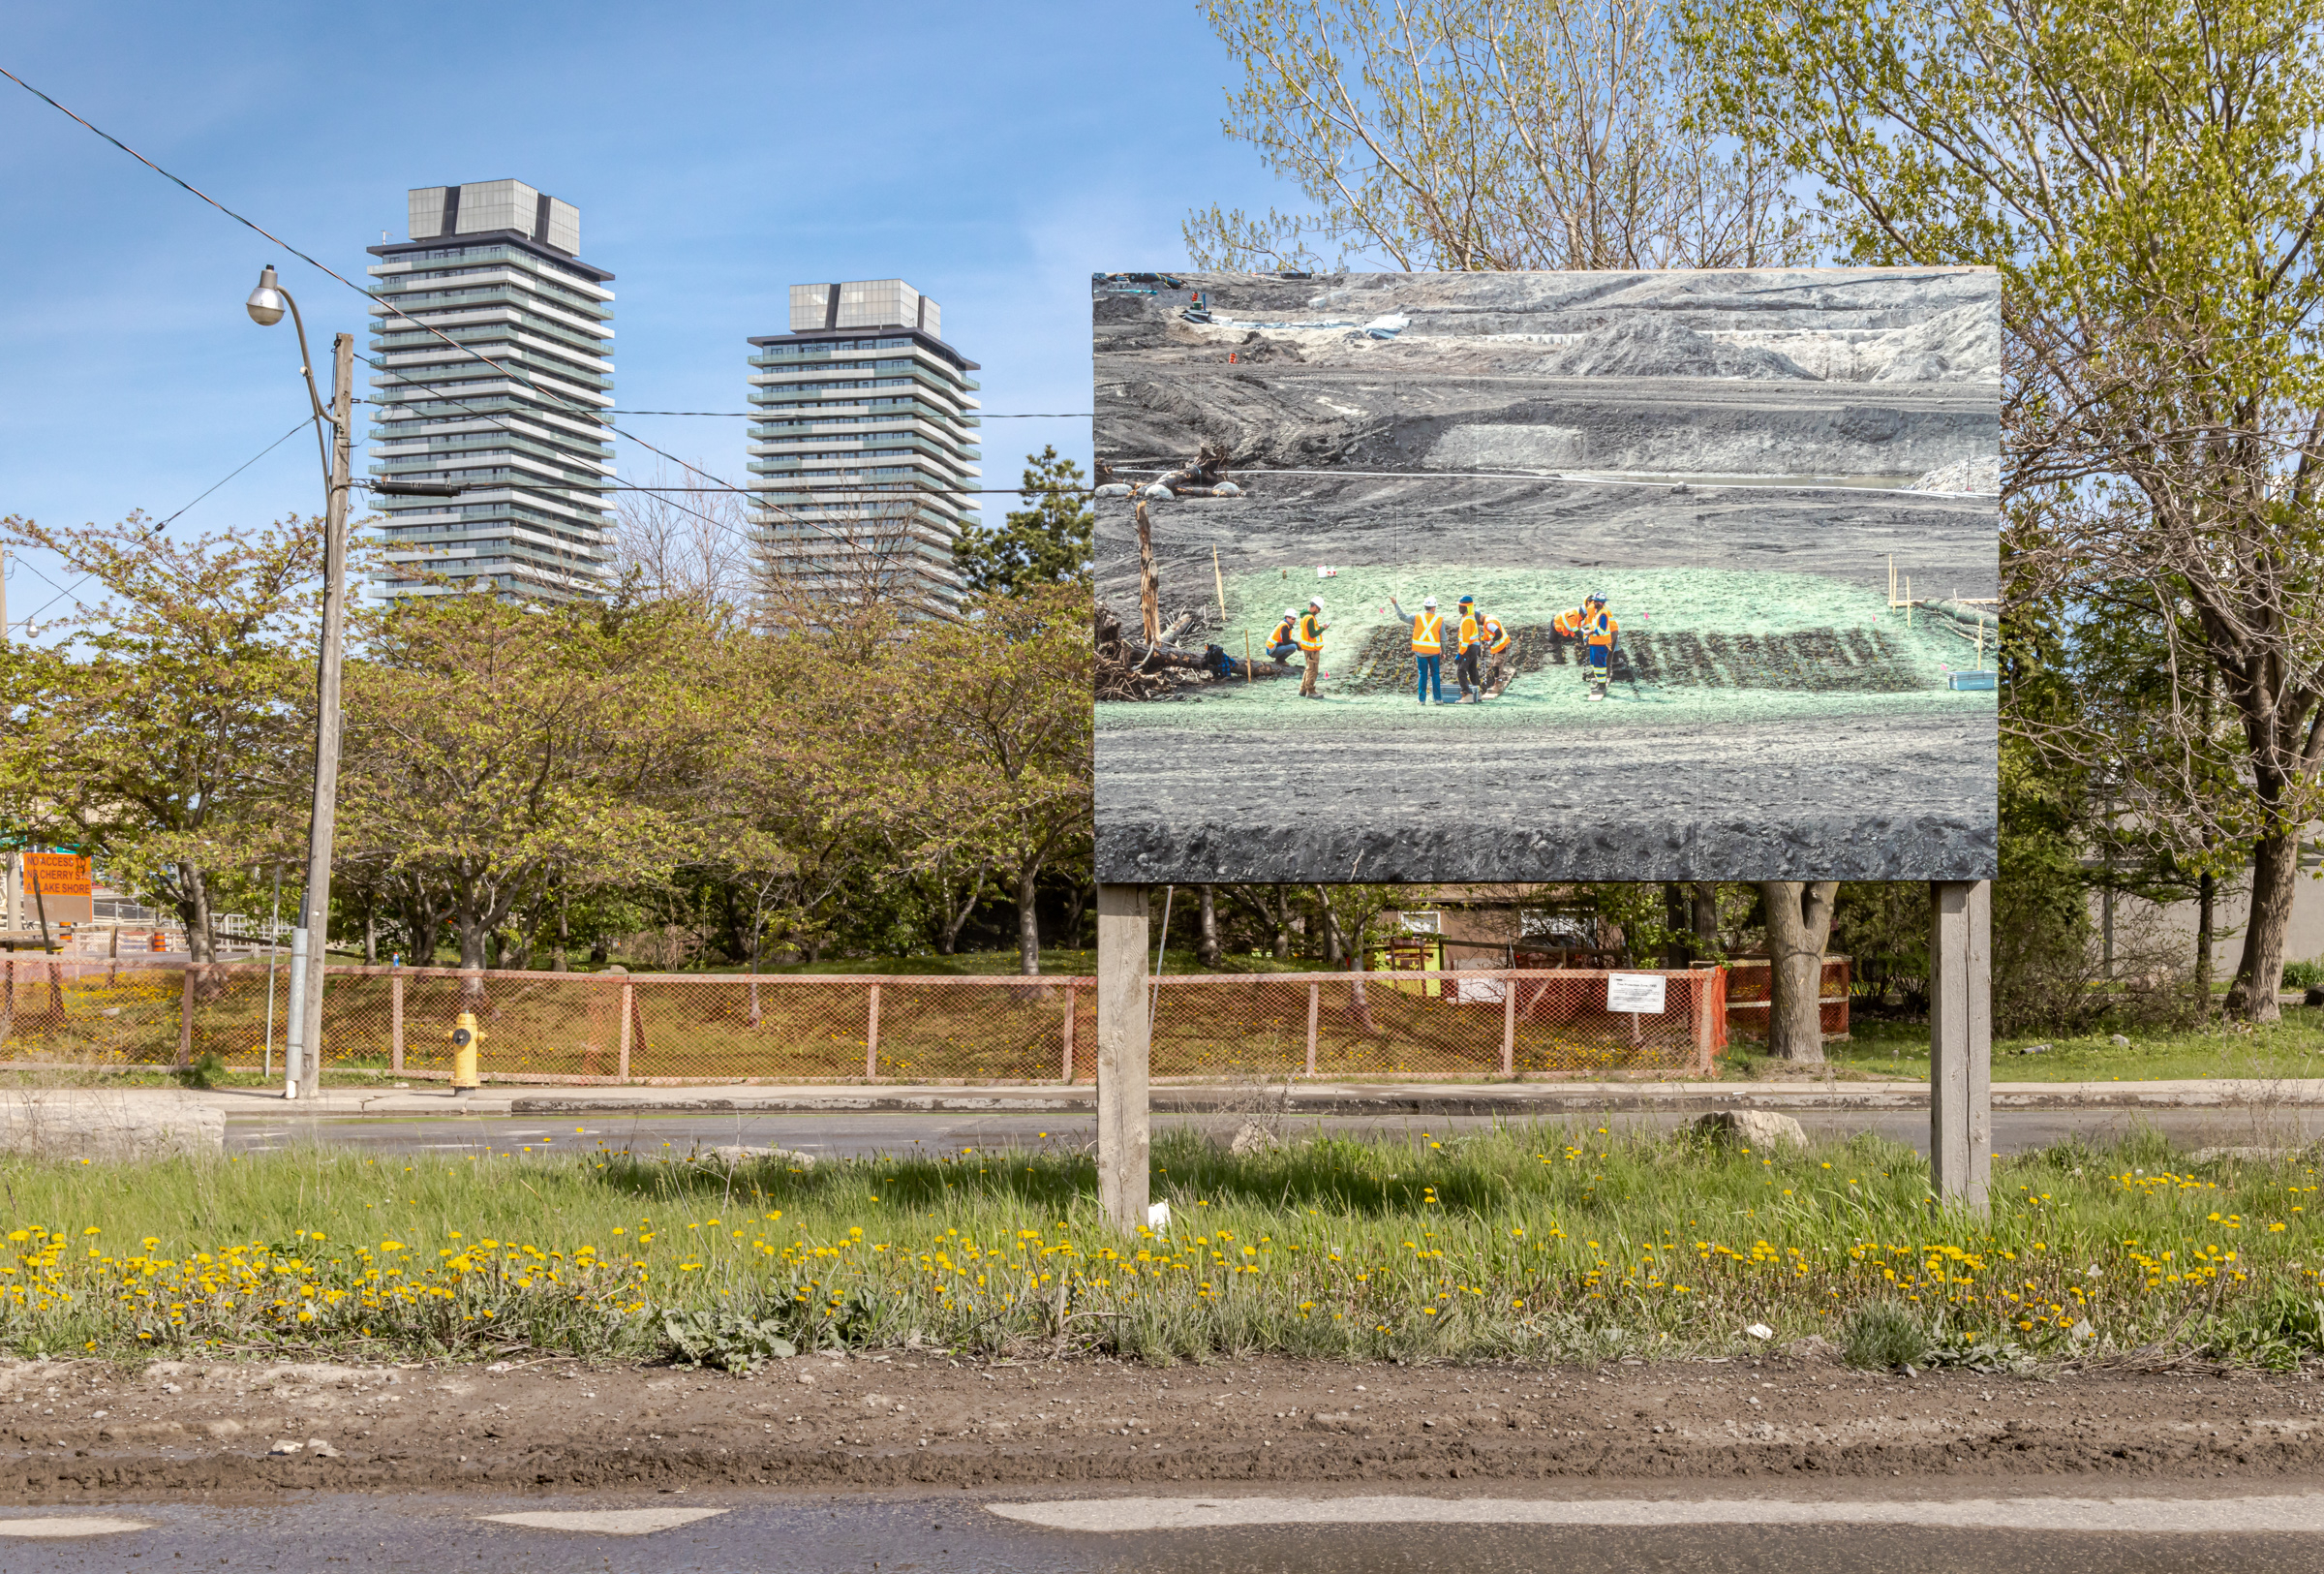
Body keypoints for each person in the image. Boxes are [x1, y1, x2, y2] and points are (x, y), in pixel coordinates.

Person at [1552, 590, 1619, 699]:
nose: (1593, 603)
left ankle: (1602, 683)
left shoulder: (1601, 613)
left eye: (1595, 601)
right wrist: (1587, 635)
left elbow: (1601, 629)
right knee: (1597, 662)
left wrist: (1589, 633)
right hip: (1597, 640)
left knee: (1602, 660)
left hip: (1602, 639)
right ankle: (1600, 680)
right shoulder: (1596, 613)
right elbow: (1591, 625)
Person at [1388, 593, 1445, 704]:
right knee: (1435, 675)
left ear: (1425, 607)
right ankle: (1438, 699)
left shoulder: (1416, 617)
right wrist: (1444, 652)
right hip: (1434, 653)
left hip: (1420, 653)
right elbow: (1443, 638)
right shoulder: (1439, 619)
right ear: (1434, 608)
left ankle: (1421, 700)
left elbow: (1402, 617)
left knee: (1422, 675)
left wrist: (1395, 604)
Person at [1452, 595, 1485, 701]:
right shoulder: (1470, 618)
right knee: (1472, 670)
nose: (1459, 608)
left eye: (1461, 606)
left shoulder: (1467, 620)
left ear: (1466, 607)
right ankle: (1478, 693)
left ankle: (1466, 694)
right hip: (1474, 647)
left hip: (1469, 648)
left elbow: (1465, 641)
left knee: (1461, 670)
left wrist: (1460, 654)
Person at [1295, 597, 1328, 696]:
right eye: (1318, 609)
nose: (1319, 611)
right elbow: (1313, 634)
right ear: (1314, 607)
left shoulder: (1304, 617)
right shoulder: (1310, 618)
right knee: (1312, 670)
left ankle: (1303, 690)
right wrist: (1323, 628)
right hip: (1312, 648)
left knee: (1309, 668)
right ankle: (1310, 691)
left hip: (1307, 647)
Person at [1481, 611, 1516, 697]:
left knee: (1497, 664)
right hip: (1498, 646)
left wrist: (1491, 642)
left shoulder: (1489, 624)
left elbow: (1498, 634)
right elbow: (1489, 633)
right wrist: (1484, 639)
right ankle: (1496, 682)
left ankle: (1498, 684)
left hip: (1502, 645)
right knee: (1494, 664)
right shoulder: (1487, 619)